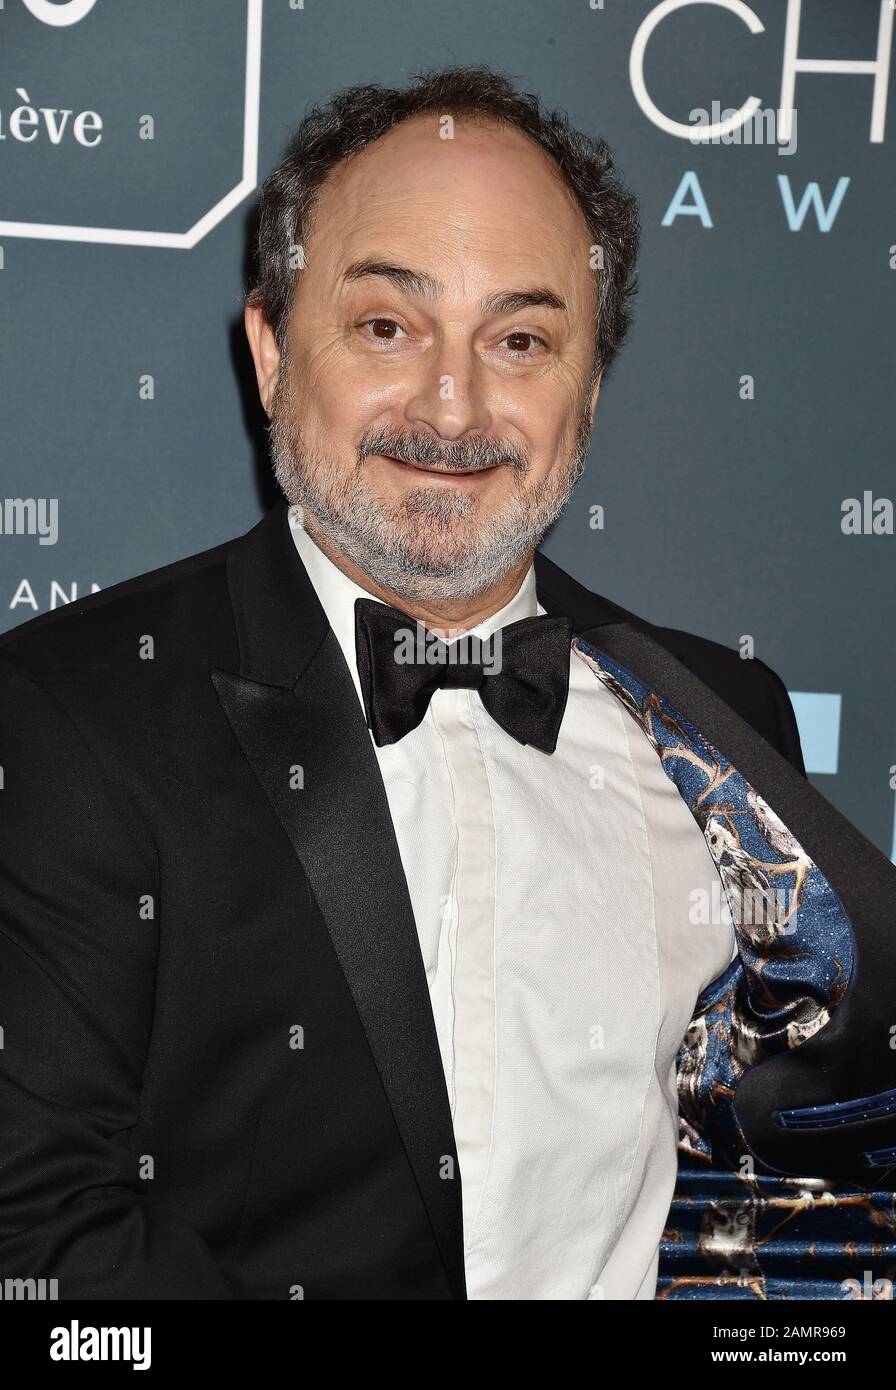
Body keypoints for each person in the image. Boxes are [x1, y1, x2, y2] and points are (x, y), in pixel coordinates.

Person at [0, 66, 893, 1302]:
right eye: (385, 327)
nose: (451, 403)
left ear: (585, 390)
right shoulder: (67, 712)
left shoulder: (724, 721)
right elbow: (39, 1238)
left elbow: (791, 1191)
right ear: (270, 351)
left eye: (519, 340)